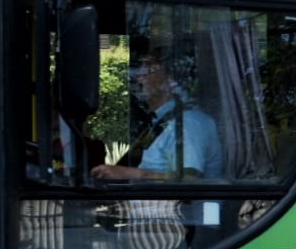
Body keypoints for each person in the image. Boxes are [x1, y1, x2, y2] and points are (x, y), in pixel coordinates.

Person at [92, 47, 224, 181]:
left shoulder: (188, 123)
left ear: (171, 81)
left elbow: (189, 180)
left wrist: (131, 174)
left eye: (148, 69)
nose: (136, 77)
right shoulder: (161, 121)